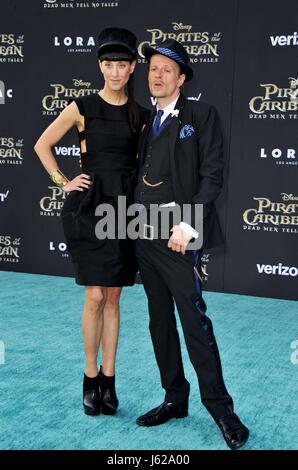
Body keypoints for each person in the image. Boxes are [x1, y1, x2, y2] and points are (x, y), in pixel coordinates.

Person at [134, 39, 249, 450]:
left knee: (194, 322)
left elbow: (212, 175)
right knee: (159, 321)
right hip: (142, 233)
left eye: (166, 69)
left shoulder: (202, 115)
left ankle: (221, 410)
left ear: (181, 78)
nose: (157, 74)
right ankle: (174, 398)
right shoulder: (146, 120)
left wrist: (186, 223)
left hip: (178, 236)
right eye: (152, 68)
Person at [34, 27, 148, 416]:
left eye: (121, 64)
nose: (114, 71)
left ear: (133, 68)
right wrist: (63, 182)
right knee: (94, 296)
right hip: (90, 206)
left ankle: (109, 378)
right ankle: (89, 376)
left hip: (125, 209)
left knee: (114, 296)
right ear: (100, 66)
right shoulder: (82, 106)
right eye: (108, 64)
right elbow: (42, 144)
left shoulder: (141, 116)